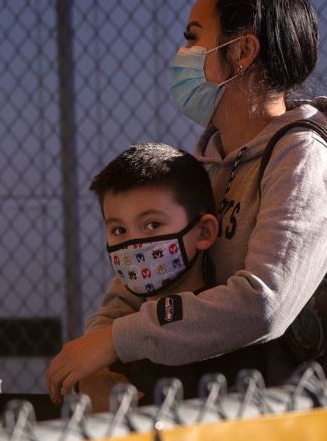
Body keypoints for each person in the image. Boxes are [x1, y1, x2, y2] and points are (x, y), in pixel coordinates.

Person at [46, 0, 327, 404]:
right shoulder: (209, 162)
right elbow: (137, 283)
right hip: (210, 407)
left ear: (241, 51)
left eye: (194, 38)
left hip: (284, 414)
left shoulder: (303, 156)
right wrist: (102, 359)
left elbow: (264, 303)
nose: (182, 54)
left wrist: (118, 341)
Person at [74, 142, 222, 409]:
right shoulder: (108, 350)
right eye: (119, 230)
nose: (133, 245)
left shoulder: (227, 335)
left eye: (152, 225)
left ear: (203, 232)